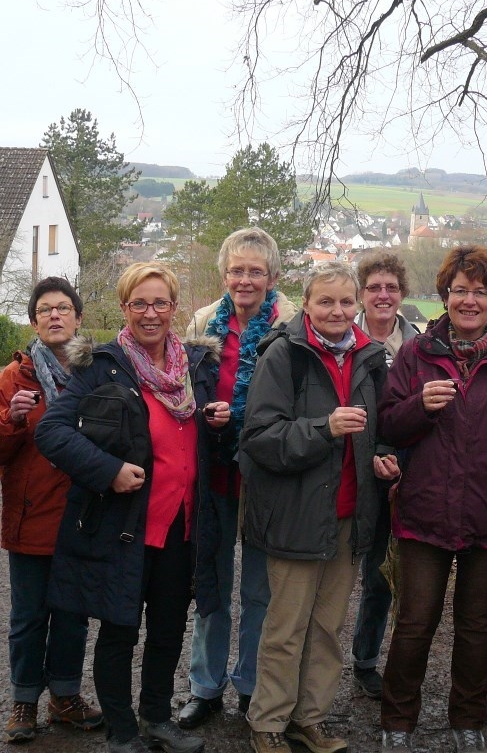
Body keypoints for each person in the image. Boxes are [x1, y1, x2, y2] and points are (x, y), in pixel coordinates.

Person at [35, 262, 227, 753]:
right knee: (120, 631)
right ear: (124, 307)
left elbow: (207, 442)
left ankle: (157, 719)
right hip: (125, 526)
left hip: (181, 525)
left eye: (160, 302)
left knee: (168, 630)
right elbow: (51, 432)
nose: (150, 313)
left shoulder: (195, 368)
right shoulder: (101, 365)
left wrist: (219, 424)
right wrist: (108, 470)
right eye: (139, 303)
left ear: (174, 307)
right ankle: (122, 732)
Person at [377, 245, 487, 753]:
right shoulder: (417, 353)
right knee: (414, 623)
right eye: (459, 291)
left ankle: (468, 722)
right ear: (445, 296)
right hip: (424, 513)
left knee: (477, 627)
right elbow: (387, 425)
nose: (469, 300)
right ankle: (397, 723)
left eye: (480, 291)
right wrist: (419, 406)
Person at [241, 262, 400, 753]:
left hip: (350, 515)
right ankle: (267, 722)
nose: (337, 311)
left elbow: (379, 428)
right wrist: (323, 428)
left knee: (328, 627)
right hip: (295, 515)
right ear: (306, 304)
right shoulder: (284, 355)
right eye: (325, 301)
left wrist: (381, 455)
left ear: (357, 304)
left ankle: (308, 719)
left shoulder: (369, 357)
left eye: (345, 301)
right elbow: (259, 438)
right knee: (286, 628)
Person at [178, 228, 298, 729]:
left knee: (258, 590)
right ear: (223, 274)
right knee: (211, 583)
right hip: (213, 474)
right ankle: (205, 687)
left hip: (265, 476)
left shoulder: (291, 326)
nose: (244, 280)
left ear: (272, 276)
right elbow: (183, 392)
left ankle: (251, 684)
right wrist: (206, 414)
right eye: (236, 270)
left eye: (255, 271)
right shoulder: (203, 322)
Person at [0, 276, 103, 743]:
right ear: (33, 321)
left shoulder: (98, 373)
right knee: (29, 618)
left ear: (78, 317)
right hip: (31, 518)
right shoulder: (14, 378)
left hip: (81, 516)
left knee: (73, 615)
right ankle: (25, 701)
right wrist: (11, 418)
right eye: (45, 309)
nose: (54, 315)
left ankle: (65, 697)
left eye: (63, 308)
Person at [349, 251, 419, 699]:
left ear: (402, 293)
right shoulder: (344, 338)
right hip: (350, 469)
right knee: (334, 572)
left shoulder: (418, 344)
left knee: (382, 574)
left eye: (391, 287)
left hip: (403, 474)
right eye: (374, 287)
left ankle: (366, 659)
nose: (383, 295)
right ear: (361, 293)